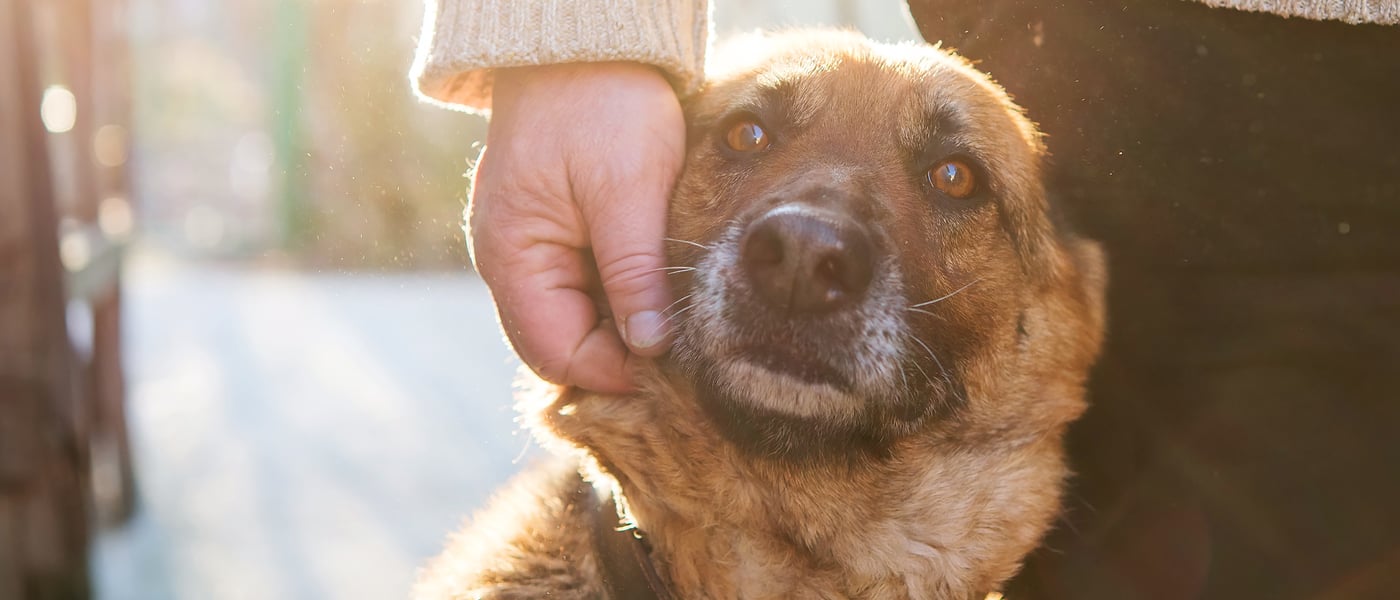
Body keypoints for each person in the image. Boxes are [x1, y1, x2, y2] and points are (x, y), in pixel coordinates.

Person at [412, 1, 1400, 597]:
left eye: (952, 181)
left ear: (1066, 318)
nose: (807, 241)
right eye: (749, 139)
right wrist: (573, 37)